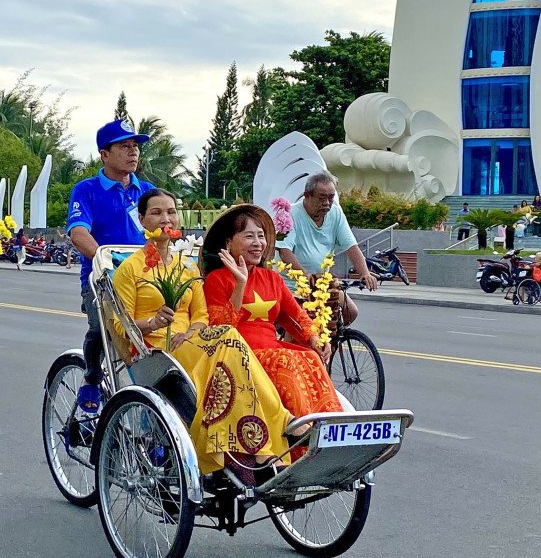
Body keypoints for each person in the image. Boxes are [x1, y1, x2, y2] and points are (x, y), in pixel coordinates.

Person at [111, 189, 287, 472]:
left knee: (231, 339)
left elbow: (202, 315)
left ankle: (260, 437)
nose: (164, 218)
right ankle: (266, 435)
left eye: (170, 212)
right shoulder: (130, 270)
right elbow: (121, 324)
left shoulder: (186, 267)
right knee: (230, 339)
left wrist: (191, 331)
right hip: (156, 351)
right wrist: (153, 323)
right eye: (156, 213)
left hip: (191, 341)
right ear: (142, 220)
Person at [201, 205, 339, 419]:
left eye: (261, 236)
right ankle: (300, 431)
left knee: (310, 357)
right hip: (239, 357)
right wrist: (240, 283)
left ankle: (329, 425)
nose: (258, 244)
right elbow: (221, 330)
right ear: (229, 242)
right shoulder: (216, 280)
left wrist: (314, 337)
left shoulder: (272, 279)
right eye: (249, 236)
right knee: (284, 360)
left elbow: (296, 315)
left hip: (271, 349)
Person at [65, 119, 155, 413]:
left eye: (136, 146)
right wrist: (106, 264)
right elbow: (79, 233)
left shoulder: (147, 191)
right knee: (102, 324)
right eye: (124, 146)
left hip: (147, 279)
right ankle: (91, 375)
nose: (133, 152)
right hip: (103, 279)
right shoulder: (86, 190)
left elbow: (164, 228)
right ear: (104, 154)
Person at [278, 172, 376, 328]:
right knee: (302, 329)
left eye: (331, 197)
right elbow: (284, 252)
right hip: (293, 285)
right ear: (307, 196)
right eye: (321, 197)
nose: (327, 203)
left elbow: (351, 246)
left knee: (350, 312)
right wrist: (305, 275)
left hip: (322, 283)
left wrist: (365, 273)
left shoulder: (335, 214)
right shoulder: (289, 215)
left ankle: (328, 348)